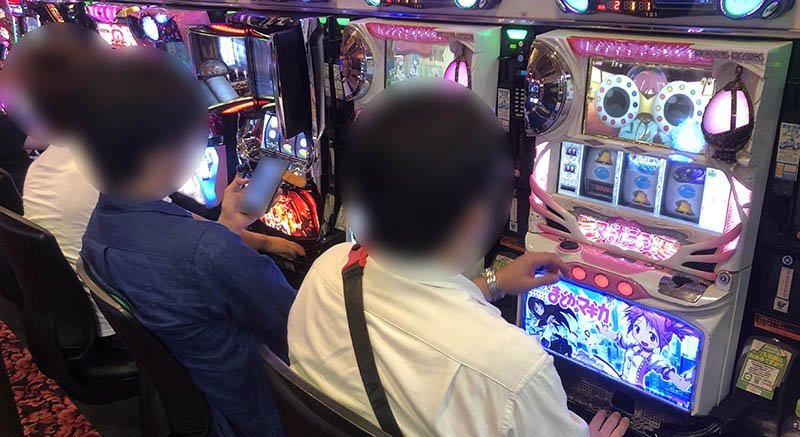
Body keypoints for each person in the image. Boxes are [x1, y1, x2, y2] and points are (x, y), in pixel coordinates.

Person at [288, 80, 630, 437]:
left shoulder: (328, 270)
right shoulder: (515, 372)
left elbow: (413, 318)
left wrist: (494, 283)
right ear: (475, 216)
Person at [76, 47, 295, 436]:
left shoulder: (100, 226)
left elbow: (192, 288)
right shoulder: (207, 252)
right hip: (259, 412)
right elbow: (296, 327)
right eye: (202, 128)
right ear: (166, 149)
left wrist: (227, 225)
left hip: (203, 396)